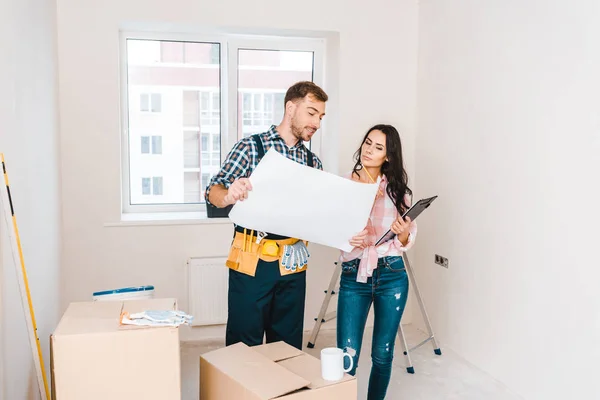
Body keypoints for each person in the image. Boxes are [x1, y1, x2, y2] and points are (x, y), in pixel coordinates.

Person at [205, 81, 328, 350]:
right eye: (311, 113)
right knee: (243, 346)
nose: (317, 122)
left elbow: (316, 212)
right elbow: (213, 190)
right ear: (290, 108)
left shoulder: (313, 163)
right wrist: (228, 195)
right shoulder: (251, 147)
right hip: (251, 260)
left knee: (286, 346)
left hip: (292, 262)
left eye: (320, 116)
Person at [337, 124, 417, 400]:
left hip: (392, 274)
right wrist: (348, 239)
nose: (369, 150)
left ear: (389, 156)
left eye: (378, 147)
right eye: (367, 143)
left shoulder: (397, 191)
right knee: (346, 358)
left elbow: (406, 241)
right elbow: (331, 229)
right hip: (353, 274)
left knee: (382, 355)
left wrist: (403, 231)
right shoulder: (344, 184)